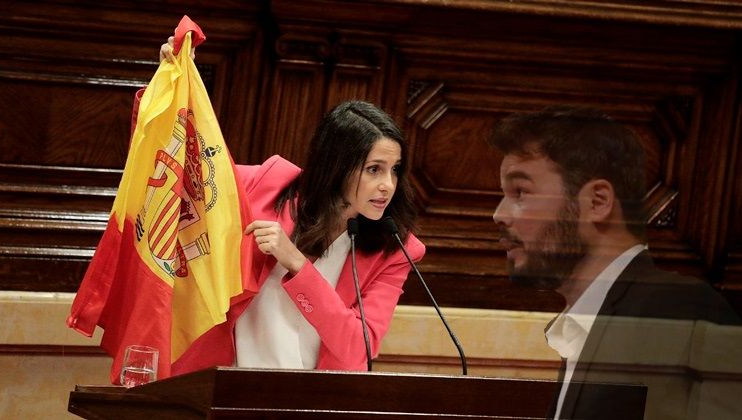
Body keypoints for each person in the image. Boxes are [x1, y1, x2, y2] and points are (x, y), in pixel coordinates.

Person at [145, 37, 426, 373]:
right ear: (336, 165)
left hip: (308, 401)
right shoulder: (265, 185)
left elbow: (358, 350)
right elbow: (175, 169)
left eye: (394, 170)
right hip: (223, 383)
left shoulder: (396, 249)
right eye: (374, 170)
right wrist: (168, 87)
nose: (388, 185)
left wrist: (297, 265)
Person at [489, 106, 742, 419]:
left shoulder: (681, 313)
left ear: (597, 202)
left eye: (520, 192)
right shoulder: (596, 317)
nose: (499, 215)